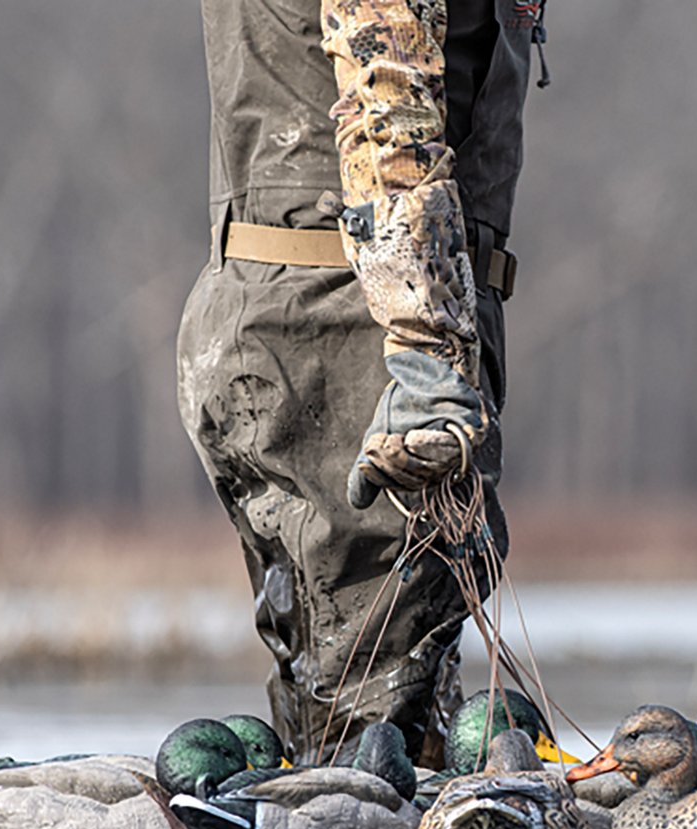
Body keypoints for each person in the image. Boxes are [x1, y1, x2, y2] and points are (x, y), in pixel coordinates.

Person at [177, 1, 544, 765]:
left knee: (369, 735)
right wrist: (427, 354)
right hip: (350, 348)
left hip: (334, 328)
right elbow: (388, 92)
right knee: (369, 745)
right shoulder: (409, 347)